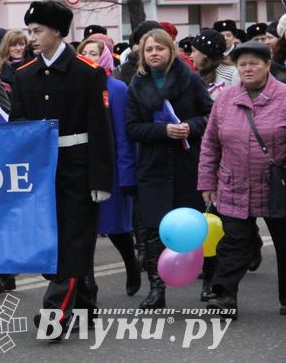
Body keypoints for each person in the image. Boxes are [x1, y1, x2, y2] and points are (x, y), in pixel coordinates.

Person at [10, 1, 114, 336]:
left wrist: (101, 178)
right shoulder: (24, 74)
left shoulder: (87, 71)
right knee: (57, 241)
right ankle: (84, 305)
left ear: (57, 31)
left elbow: (101, 128)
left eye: (38, 31)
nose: (32, 38)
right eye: (30, 31)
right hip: (43, 172)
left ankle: (55, 312)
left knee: (72, 239)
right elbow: (18, 125)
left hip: (78, 168)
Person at [125, 29, 213, 309]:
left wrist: (191, 127)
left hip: (189, 164)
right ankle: (157, 289)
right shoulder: (136, 86)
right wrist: (164, 130)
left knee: (198, 227)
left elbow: (210, 115)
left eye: (160, 49)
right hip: (153, 167)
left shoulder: (191, 80)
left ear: (171, 51)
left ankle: (210, 284)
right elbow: (131, 128)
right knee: (153, 230)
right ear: (142, 53)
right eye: (149, 49)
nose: (154, 54)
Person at [198, 41, 286, 318]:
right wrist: (207, 182)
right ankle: (224, 297)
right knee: (233, 243)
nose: (248, 69)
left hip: (277, 186)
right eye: (242, 64)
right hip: (234, 182)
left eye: (254, 63)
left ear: (268, 65)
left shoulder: (284, 96)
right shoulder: (225, 99)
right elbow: (210, 143)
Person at [78, 38, 140, 296]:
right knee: (84, 229)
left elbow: (123, 136)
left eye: (95, 53)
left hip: (111, 167)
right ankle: (88, 283)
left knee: (116, 227)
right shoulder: (75, 85)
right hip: (81, 166)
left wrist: (127, 173)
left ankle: (132, 264)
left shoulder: (116, 89)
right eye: (85, 53)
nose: (90, 57)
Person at [190, 29, 238, 100]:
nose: (191, 56)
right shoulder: (197, 75)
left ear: (205, 53)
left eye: (194, 51)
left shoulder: (232, 74)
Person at [115, 20, 161, 85]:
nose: (154, 52)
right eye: (149, 48)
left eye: (160, 48)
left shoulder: (175, 67)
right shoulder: (125, 70)